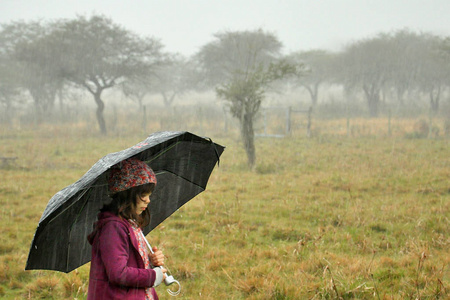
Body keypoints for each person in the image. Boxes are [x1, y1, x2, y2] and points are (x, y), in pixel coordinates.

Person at [87, 158, 166, 300]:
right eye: (143, 194)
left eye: (149, 195)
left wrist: (149, 261)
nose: (148, 200)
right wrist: (153, 276)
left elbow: (128, 261)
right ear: (127, 194)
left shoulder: (130, 224)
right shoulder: (113, 228)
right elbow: (118, 273)